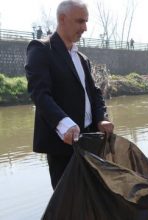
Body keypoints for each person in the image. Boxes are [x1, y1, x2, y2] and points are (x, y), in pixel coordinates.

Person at [25, 0, 114, 189]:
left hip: (90, 138)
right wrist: (63, 124)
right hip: (62, 142)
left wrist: (102, 118)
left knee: (93, 194)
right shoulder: (40, 49)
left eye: (86, 22)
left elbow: (95, 93)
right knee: (68, 201)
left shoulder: (82, 59)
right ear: (62, 19)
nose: (85, 28)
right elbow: (39, 94)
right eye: (80, 21)